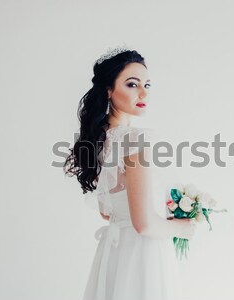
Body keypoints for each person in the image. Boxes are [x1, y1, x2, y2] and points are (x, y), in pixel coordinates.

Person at [64, 47, 197, 300]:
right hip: (143, 254)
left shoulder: (100, 141)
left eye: (147, 84)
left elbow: (107, 211)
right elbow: (144, 224)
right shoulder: (136, 139)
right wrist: (182, 227)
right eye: (132, 84)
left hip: (114, 254)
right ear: (108, 91)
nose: (144, 92)